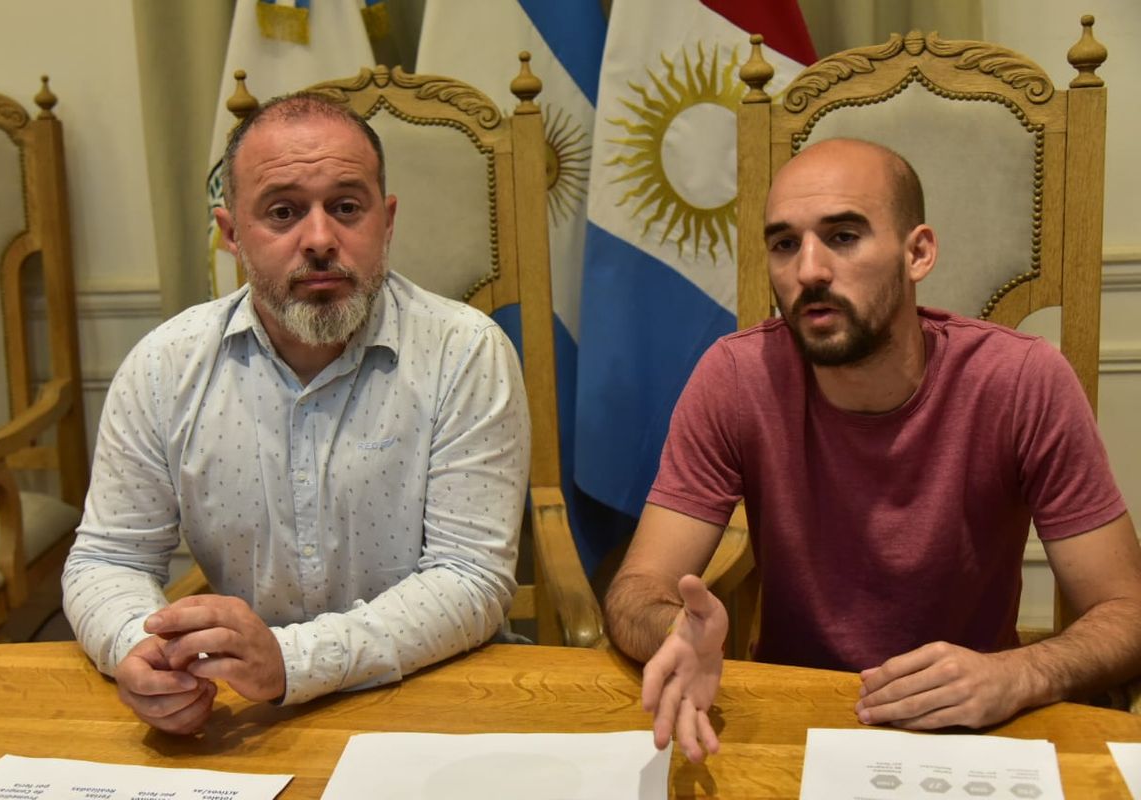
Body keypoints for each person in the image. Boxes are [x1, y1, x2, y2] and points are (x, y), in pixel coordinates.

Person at [604, 138, 1141, 763]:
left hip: (972, 726)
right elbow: (636, 589)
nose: (808, 271)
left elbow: (1127, 610)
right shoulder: (735, 377)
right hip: (792, 717)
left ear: (918, 253)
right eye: (785, 244)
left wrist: (1023, 673)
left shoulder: (1022, 379)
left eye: (843, 236)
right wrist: (674, 628)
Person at [63, 92, 530, 734]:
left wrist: (291, 661)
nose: (319, 240)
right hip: (250, 716)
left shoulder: (465, 353)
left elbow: (470, 577)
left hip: (435, 696)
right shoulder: (164, 366)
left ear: (386, 221)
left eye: (347, 207)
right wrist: (139, 650)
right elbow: (109, 558)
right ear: (231, 234)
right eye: (283, 212)